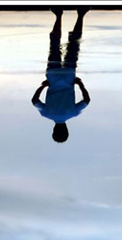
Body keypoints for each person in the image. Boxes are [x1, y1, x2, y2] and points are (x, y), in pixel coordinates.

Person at [32, 7, 90, 143]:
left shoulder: (73, 113)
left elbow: (87, 100)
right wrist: (43, 87)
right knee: (54, 45)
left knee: (74, 46)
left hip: (69, 76)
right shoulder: (46, 114)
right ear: (53, 130)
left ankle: (81, 14)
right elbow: (34, 101)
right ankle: (59, 15)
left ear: (67, 130)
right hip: (52, 76)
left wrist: (80, 84)